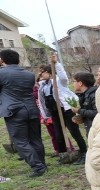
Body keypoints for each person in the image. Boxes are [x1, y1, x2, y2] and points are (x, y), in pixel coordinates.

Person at [0, 49, 47, 177]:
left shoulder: (2, 73)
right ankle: (42, 164)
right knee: (35, 138)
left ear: (2, 60)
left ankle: (38, 167)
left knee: (20, 141)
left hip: (14, 112)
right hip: (31, 109)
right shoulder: (29, 74)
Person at [38, 54, 87, 165]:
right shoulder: (42, 86)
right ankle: (63, 155)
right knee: (58, 135)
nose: (41, 75)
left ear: (49, 73)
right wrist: (45, 115)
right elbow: (42, 102)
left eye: (43, 73)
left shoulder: (59, 81)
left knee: (75, 133)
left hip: (66, 111)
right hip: (55, 112)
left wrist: (56, 63)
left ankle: (84, 153)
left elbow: (63, 76)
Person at [71, 72, 98, 137]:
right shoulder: (84, 95)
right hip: (90, 129)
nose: (73, 84)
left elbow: (96, 113)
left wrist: (79, 111)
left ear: (80, 83)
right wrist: (81, 117)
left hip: (96, 130)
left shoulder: (94, 95)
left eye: (74, 81)